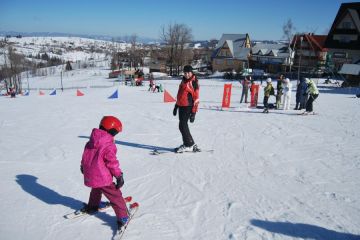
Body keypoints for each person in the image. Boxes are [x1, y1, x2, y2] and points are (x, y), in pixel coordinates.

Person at [80, 116, 128, 230]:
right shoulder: (108, 145)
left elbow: (85, 156)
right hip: (103, 177)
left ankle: (92, 206)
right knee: (116, 196)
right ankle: (123, 218)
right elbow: (112, 163)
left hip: (90, 174)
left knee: (96, 189)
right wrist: (119, 175)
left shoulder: (90, 142)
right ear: (112, 131)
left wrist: (83, 167)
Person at [173, 65, 200, 153]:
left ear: (191, 72)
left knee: (183, 125)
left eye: (188, 73)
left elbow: (196, 99)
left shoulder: (194, 82)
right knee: (182, 126)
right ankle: (190, 143)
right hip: (181, 106)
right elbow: (180, 94)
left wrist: (194, 113)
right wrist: (176, 106)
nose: (187, 74)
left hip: (188, 106)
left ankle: (188, 145)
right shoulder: (183, 81)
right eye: (185, 73)